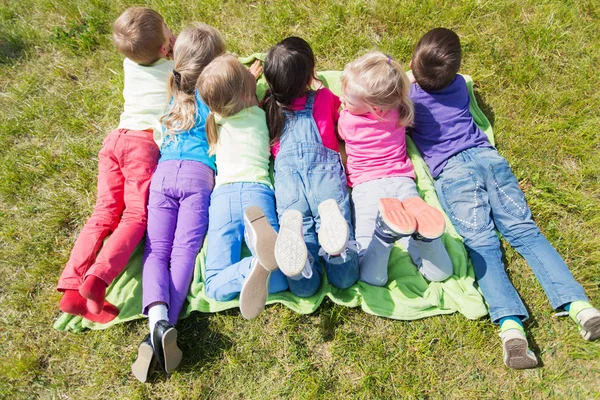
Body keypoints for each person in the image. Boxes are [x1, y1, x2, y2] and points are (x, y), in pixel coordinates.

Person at [409, 27, 600, 369]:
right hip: (489, 162)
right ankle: (582, 309)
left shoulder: (409, 99)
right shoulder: (458, 86)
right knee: (527, 233)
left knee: (482, 245)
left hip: (453, 176)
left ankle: (512, 329)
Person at [57, 7, 175, 324]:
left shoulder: (129, 63)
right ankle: (99, 278)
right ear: (166, 47)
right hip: (142, 146)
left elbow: (151, 51)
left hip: (115, 141)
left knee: (104, 212)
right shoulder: (174, 71)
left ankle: (71, 285)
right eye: (167, 30)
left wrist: (162, 44)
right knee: (136, 215)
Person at [131, 24, 226, 382]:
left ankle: (156, 323)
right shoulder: (214, 97)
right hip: (198, 178)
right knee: (184, 251)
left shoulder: (172, 90)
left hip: (164, 175)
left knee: (156, 250)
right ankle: (165, 324)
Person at [339, 51, 453, 287]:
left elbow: (340, 137)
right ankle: (426, 240)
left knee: (366, 262)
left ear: (375, 108)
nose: (343, 101)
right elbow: (401, 86)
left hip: (367, 186)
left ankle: (383, 236)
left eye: (348, 100)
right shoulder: (399, 109)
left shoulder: (347, 121)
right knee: (434, 267)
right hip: (402, 181)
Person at [262, 37, 359, 297]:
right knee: (345, 275)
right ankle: (337, 253)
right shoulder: (325, 98)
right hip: (323, 171)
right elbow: (344, 119)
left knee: (300, 227)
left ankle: (301, 267)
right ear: (309, 75)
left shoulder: (269, 107)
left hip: (288, 180)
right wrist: (317, 87)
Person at [197, 54, 289, 320]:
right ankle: (264, 262)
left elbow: (219, 95)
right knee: (281, 279)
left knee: (213, 285)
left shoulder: (214, 119)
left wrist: (244, 79)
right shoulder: (259, 114)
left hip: (223, 196)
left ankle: (249, 266)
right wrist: (253, 79)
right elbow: (247, 92)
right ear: (248, 95)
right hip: (257, 193)